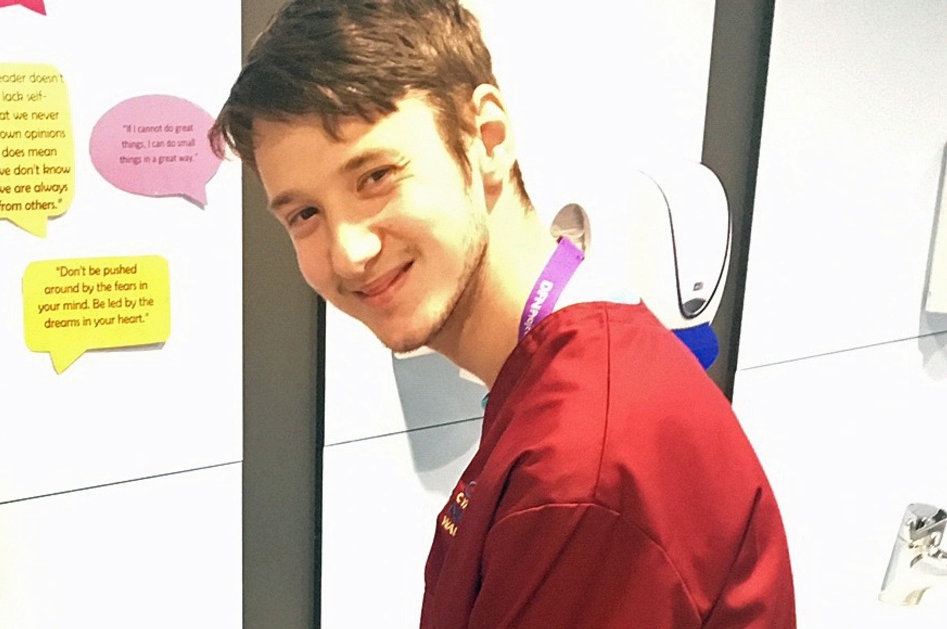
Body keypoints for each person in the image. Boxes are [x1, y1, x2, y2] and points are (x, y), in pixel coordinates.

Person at [212, 1, 796, 627]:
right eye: (304, 215)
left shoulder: (583, 469)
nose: (350, 252)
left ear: (487, 138)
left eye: (377, 175)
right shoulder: (568, 377)